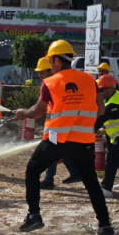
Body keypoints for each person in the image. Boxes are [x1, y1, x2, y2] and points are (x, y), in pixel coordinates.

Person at [12, 40, 114, 235]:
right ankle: (105, 226)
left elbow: (38, 112)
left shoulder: (50, 82)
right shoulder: (89, 80)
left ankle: (34, 215)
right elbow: (101, 110)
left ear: (57, 60)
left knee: (33, 170)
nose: (49, 65)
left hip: (57, 139)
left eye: (50, 61)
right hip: (84, 140)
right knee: (91, 183)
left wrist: (21, 113)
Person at [32, 57, 81, 190]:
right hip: (57, 125)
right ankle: (73, 172)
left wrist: (26, 113)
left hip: (58, 126)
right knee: (57, 152)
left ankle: (49, 179)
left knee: (52, 152)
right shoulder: (54, 83)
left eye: (42, 72)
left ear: (50, 70)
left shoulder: (53, 84)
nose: (39, 75)